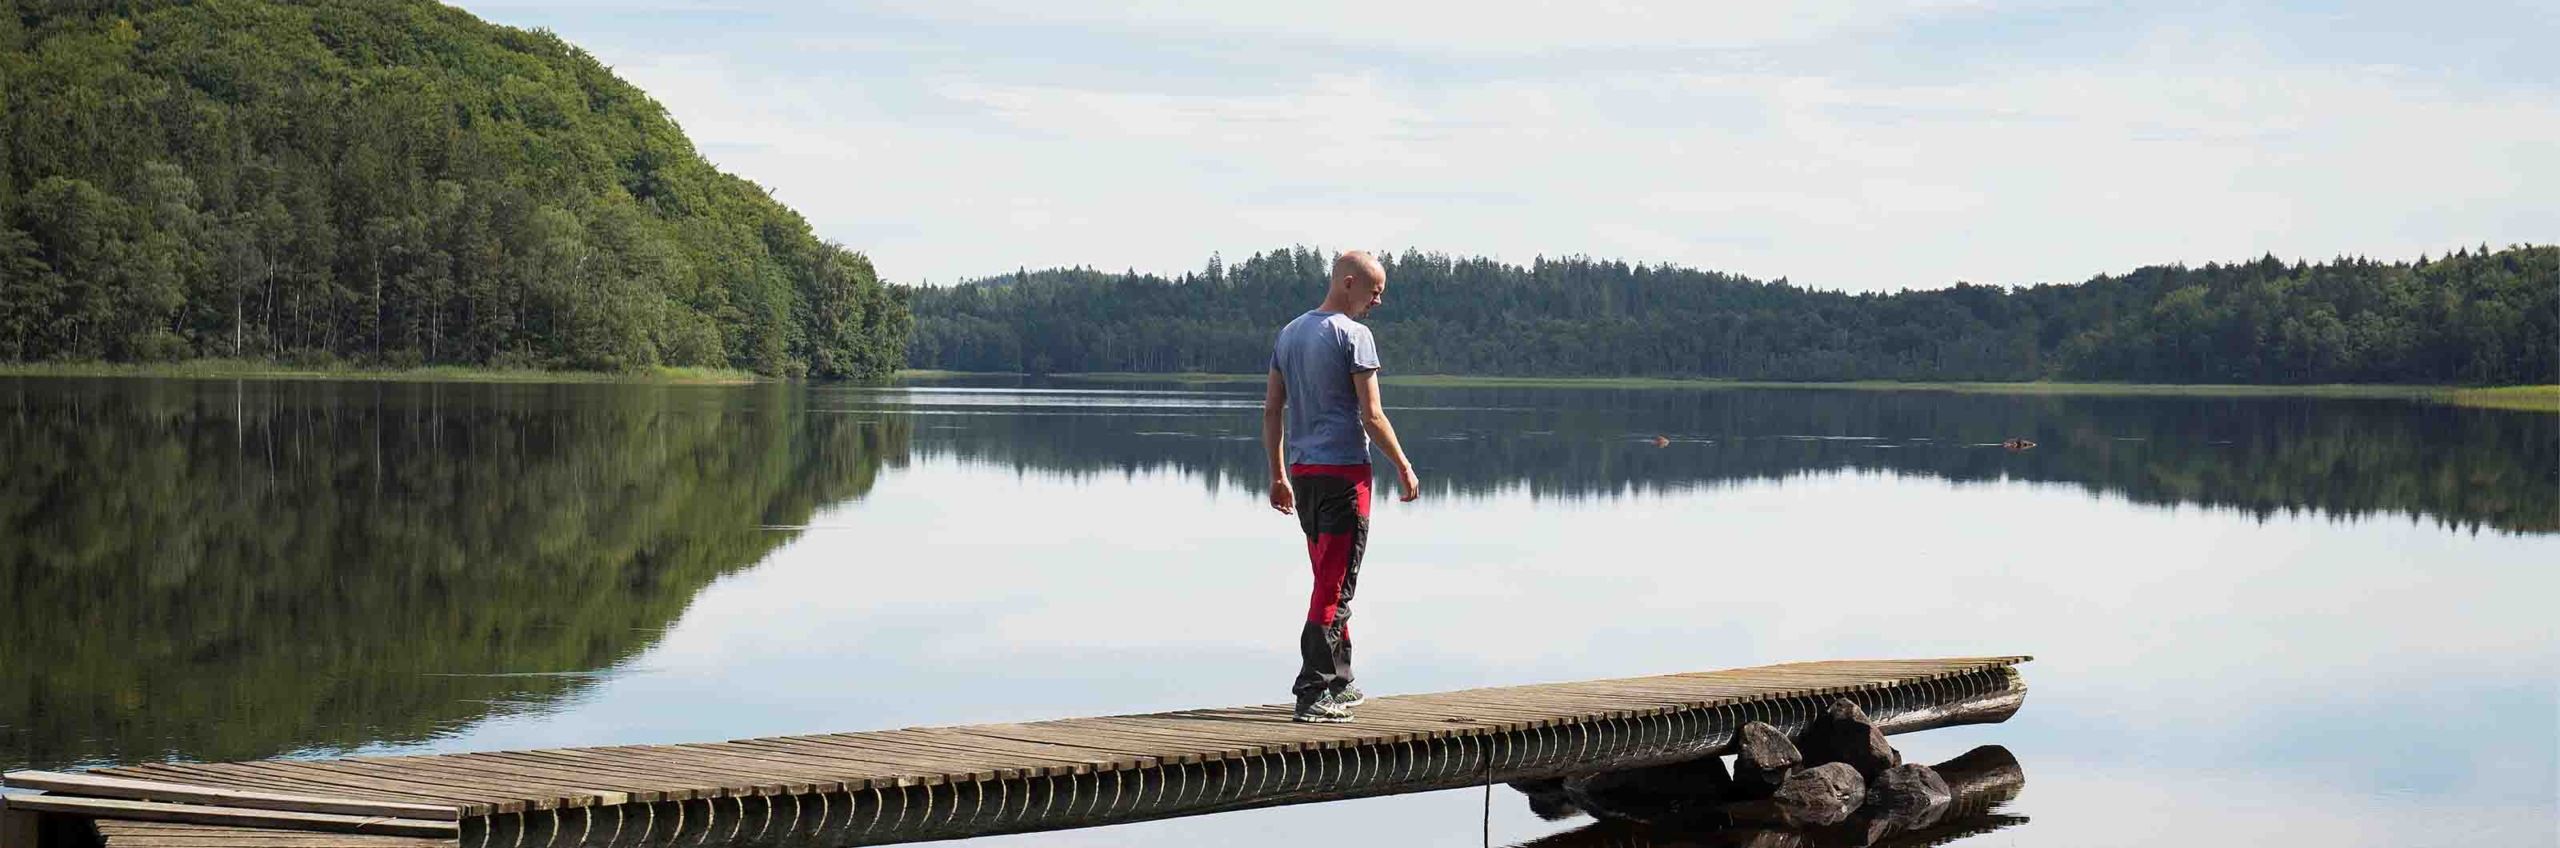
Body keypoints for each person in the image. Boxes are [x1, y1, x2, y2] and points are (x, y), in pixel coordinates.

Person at [1261, 249, 1421, 724]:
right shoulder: (1354, 336)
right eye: (1374, 291)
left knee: (1328, 581)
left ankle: (1341, 681)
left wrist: (1277, 475)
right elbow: (1371, 415)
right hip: (1346, 476)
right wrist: (1405, 466)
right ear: (1347, 282)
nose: (1377, 302)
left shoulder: (1289, 334)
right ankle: (1312, 692)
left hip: (1306, 475)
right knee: (1334, 587)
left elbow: (1273, 411)